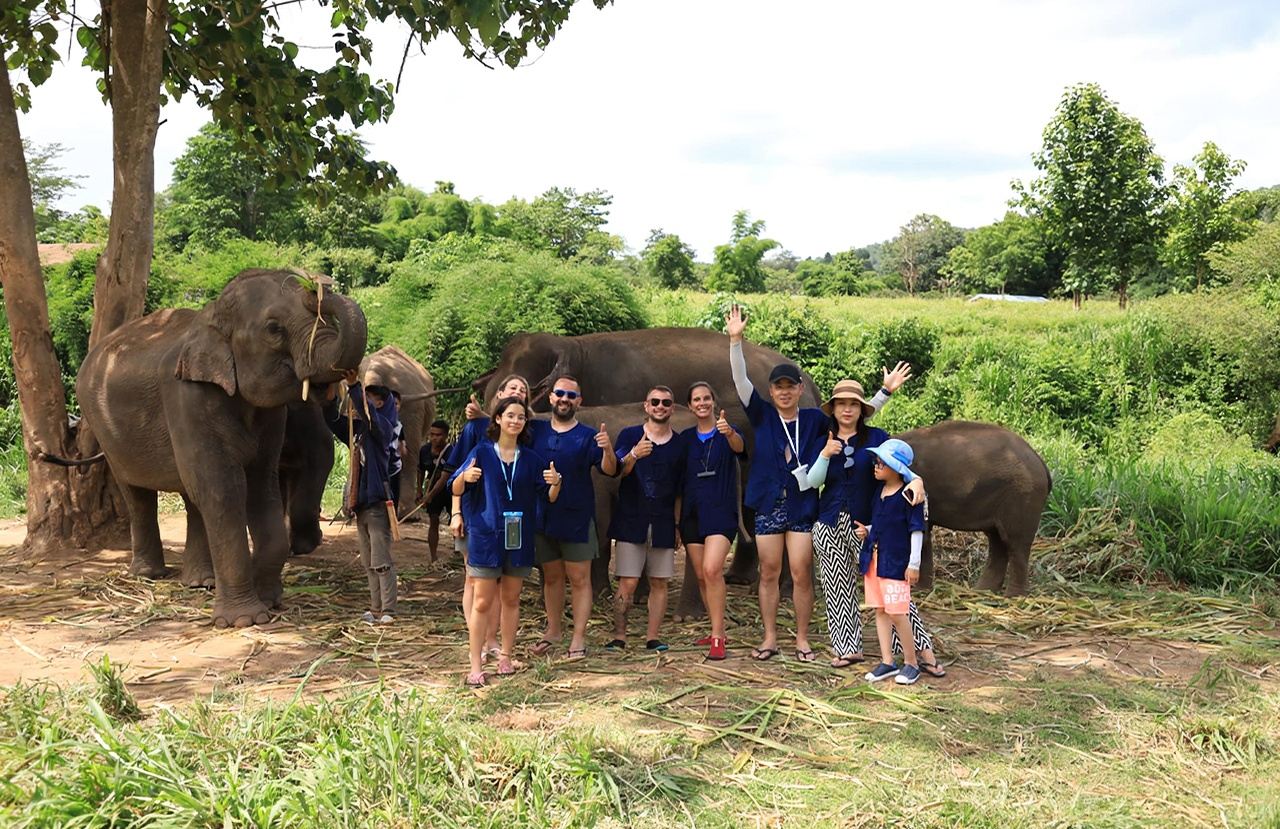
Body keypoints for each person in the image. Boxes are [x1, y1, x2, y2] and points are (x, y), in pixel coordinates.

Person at [726, 304, 911, 662]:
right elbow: (740, 381)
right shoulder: (761, 414)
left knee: (799, 572)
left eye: (789, 387)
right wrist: (736, 341)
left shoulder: (813, 419)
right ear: (771, 390)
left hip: (803, 505)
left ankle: (801, 638)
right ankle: (768, 638)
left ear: (799, 390)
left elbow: (852, 417)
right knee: (768, 572)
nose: (783, 393)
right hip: (767, 503)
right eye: (777, 387)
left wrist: (883, 394)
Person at [807, 380, 941, 674]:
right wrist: (825, 454)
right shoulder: (823, 439)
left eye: (853, 404)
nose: (847, 409)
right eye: (841, 404)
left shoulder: (877, 438)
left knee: (892, 588)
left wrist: (916, 479)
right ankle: (847, 648)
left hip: (869, 526)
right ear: (834, 408)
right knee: (836, 587)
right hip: (829, 522)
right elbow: (813, 482)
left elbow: (899, 465)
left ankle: (920, 649)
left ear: (861, 410)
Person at [450, 396, 562, 687]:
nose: (515, 421)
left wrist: (556, 484)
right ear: (498, 419)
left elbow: (547, 497)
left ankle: (506, 657)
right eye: (510, 415)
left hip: (519, 537)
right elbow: (455, 485)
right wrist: (466, 477)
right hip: (487, 537)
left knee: (511, 599)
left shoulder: (532, 459)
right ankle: (475, 664)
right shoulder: (482, 452)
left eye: (521, 417)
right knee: (483, 601)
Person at [528, 376, 617, 660]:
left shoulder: (588, 435)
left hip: (577, 518)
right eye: (560, 393)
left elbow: (609, 469)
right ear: (551, 398)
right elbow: (503, 423)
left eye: (571, 395)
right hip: (543, 517)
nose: (565, 399)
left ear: (579, 401)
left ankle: (578, 636)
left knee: (580, 579)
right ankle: (553, 631)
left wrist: (607, 448)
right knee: (551, 577)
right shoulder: (536, 430)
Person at [446, 375, 529, 662]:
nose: (518, 393)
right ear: (499, 398)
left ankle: (493, 643)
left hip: (512, 525)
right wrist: (456, 512)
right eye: (513, 389)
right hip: (477, 517)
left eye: (523, 391)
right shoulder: (476, 431)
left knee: (502, 589)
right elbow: (457, 475)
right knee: (476, 582)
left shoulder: (530, 436)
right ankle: (477, 644)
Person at [607, 386, 687, 653]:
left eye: (666, 402)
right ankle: (619, 636)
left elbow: (679, 491)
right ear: (646, 405)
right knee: (627, 581)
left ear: (672, 408)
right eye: (655, 402)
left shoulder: (679, 444)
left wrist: (677, 525)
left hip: (663, 521)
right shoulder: (630, 436)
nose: (660, 406)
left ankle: (652, 637)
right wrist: (633, 455)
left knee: (660, 581)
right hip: (632, 519)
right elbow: (617, 471)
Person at [324, 371, 402, 625]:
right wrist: (329, 398)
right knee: (369, 562)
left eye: (368, 402)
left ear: (380, 405)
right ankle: (375, 608)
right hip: (361, 506)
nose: (358, 407)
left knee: (381, 561)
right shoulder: (358, 434)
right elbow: (334, 422)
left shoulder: (382, 430)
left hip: (378, 505)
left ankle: (389, 608)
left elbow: (369, 417)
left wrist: (354, 386)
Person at [855, 438, 932, 685]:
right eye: (876, 461)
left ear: (896, 467)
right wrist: (868, 530)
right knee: (880, 610)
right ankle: (888, 661)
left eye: (881, 462)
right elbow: (882, 523)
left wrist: (914, 563)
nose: (876, 465)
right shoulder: (880, 493)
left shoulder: (909, 495)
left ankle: (911, 662)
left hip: (896, 563)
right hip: (875, 561)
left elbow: (916, 530)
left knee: (898, 613)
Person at [679, 382, 746, 661]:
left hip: (720, 511)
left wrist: (729, 431)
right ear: (690, 406)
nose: (702, 403)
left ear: (714, 402)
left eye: (707, 398)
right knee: (700, 574)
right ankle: (714, 627)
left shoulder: (726, 432)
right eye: (697, 399)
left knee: (712, 569)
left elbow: (739, 447)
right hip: (692, 513)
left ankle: (718, 636)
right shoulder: (685, 438)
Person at [417, 420, 453, 562]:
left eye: (438, 435)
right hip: (432, 489)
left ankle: (459, 550)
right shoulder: (424, 450)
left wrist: (428, 496)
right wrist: (419, 490)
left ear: (445, 436)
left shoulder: (451, 452)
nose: (434, 438)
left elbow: (444, 478)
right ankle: (433, 556)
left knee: (455, 518)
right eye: (432, 434)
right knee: (433, 520)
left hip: (450, 490)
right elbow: (420, 471)